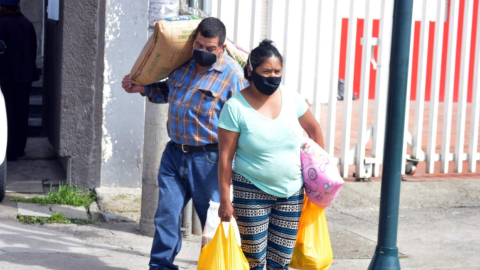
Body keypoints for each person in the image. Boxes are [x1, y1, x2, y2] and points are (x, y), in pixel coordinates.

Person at [121, 17, 247, 270]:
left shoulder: (232, 76)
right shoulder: (184, 65)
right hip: (174, 154)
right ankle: (160, 266)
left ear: (221, 48)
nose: (203, 52)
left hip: (208, 161)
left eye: (210, 48)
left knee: (213, 222)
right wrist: (143, 89)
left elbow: (243, 122)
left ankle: (218, 266)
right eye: (199, 45)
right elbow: (168, 92)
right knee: (166, 216)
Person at [217, 40, 325, 270]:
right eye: (266, 71)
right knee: (254, 260)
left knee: (281, 262)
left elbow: (314, 130)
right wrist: (225, 200)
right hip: (251, 191)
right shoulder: (235, 107)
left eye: (277, 72)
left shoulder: (292, 98)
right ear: (250, 71)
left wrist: (320, 176)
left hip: (292, 192)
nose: (273, 76)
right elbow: (226, 158)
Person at [0, 0, 39, 161]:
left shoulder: (1, 24)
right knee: (22, 112)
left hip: (6, 76)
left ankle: (8, 150)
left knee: (6, 114)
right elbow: (33, 49)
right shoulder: (27, 24)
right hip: (25, 77)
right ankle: (19, 147)